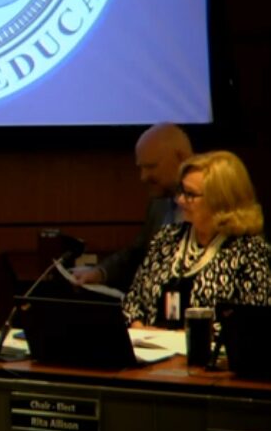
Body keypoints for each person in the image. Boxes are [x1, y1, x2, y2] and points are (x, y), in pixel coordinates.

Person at [122, 151, 271, 328]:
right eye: (181, 191)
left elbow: (252, 327)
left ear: (220, 200)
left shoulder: (251, 252)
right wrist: (140, 329)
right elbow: (132, 302)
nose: (180, 200)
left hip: (208, 355)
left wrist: (190, 340)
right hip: (151, 352)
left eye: (190, 195)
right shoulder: (167, 238)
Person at [73, 122, 194, 292]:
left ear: (182, 158)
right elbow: (137, 253)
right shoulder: (158, 202)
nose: (143, 177)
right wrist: (100, 273)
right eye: (141, 168)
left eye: (151, 167)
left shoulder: (213, 204)